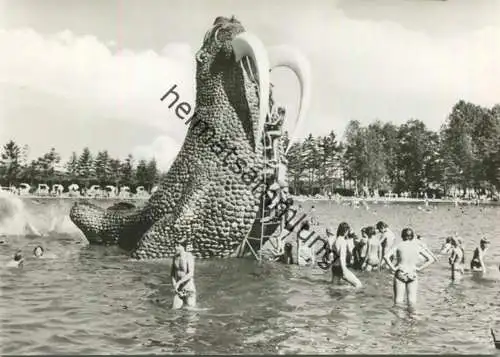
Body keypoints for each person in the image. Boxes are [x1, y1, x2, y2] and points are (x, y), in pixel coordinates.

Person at [383, 228, 435, 311]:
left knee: (398, 301)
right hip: (412, 273)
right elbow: (431, 259)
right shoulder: (417, 247)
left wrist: (393, 268)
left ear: (402, 236)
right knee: (412, 301)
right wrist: (420, 268)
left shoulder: (399, 245)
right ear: (412, 236)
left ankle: (399, 322)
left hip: (401, 272)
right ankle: (412, 321)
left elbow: (386, 256)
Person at [329, 222, 362, 288]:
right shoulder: (343, 242)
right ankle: (345, 289)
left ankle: (338, 292)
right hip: (341, 267)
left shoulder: (335, 240)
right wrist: (344, 270)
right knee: (358, 285)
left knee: (334, 286)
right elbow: (342, 257)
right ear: (346, 231)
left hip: (334, 267)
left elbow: (332, 255)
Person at [171, 240, 196, 309]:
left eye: (178, 246)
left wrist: (178, 282)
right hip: (179, 289)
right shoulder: (175, 257)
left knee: (190, 313)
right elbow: (172, 274)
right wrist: (174, 285)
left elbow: (191, 273)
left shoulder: (189, 256)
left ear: (183, 247)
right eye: (175, 246)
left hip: (188, 288)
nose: (175, 248)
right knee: (174, 311)